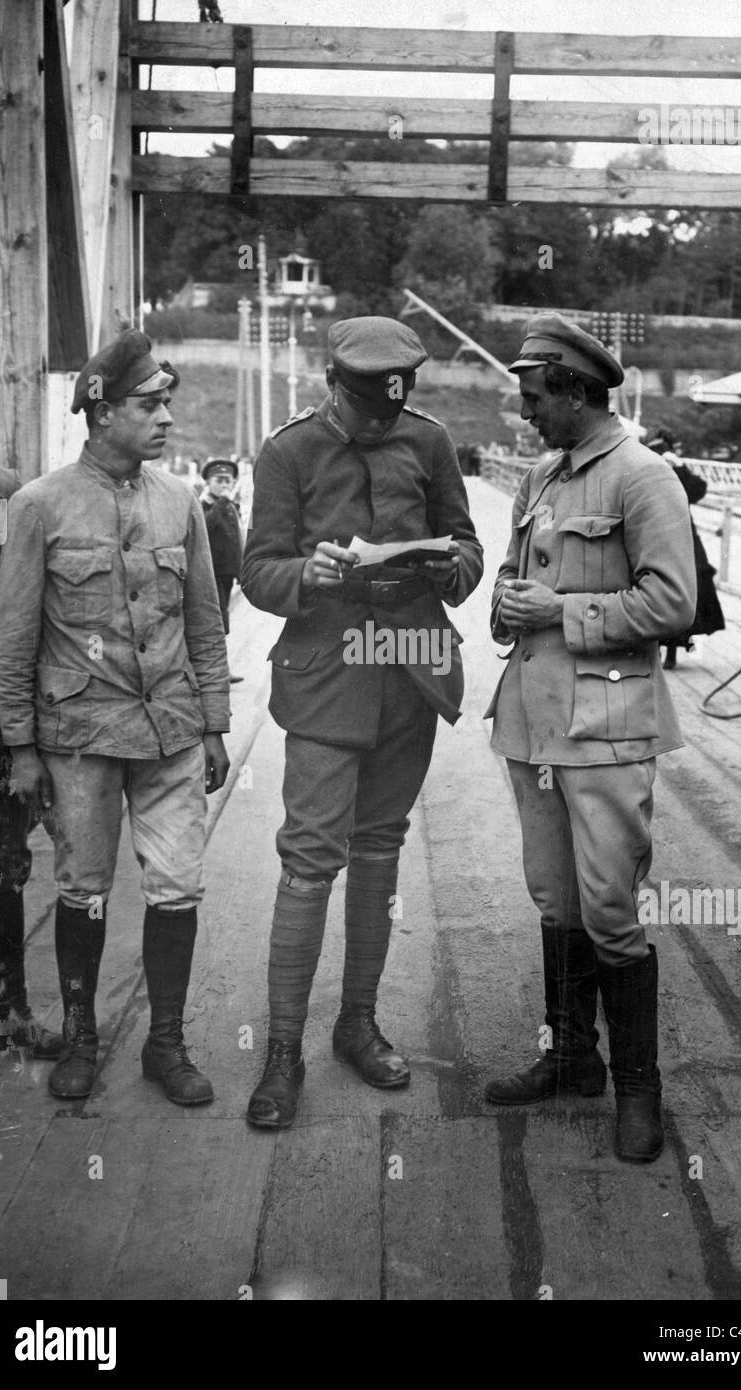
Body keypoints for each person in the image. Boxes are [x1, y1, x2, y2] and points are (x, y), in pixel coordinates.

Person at [242, 315, 483, 1130]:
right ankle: (281, 1052)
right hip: (326, 675)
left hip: (408, 668)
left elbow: (470, 548)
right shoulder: (288, 451)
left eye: (394, 407)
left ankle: (357, 1023)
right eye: (367, 409)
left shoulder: (429, 442)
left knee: (379, 847)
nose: (383, 421)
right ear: (334, 386)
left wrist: (453, 565)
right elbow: (255, 568)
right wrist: (304, 573)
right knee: (311, 858)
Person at [0, 330, 231, 1106]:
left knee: (177, 887)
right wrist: (22, 746)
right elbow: (15, 636)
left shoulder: (179, 501)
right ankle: (83, 1038)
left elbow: (204, 622)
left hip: (170, 732)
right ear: (100, 413)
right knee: (83, 888)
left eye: (167, 403)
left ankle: (166, 1044)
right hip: (81, 737)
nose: (165, 418)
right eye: (147, 404)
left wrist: (217, 725)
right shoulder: (39, 505)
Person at [483, 314, 696, 1163]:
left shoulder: (643, 479)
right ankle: (571, 1060)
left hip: (605, 730)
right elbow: (514, 575)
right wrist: (505, 598)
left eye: (535, 398)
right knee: (554, 898)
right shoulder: (541, 473)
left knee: (610, 908)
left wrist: (562, 613)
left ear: (576, 391)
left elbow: (672, 606)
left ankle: (638, 1090)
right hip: (531, 727)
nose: (525, 413)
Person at [0, 327, 61, 1108]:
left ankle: (5, 1012)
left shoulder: (3, 491)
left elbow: (23, 614)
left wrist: (27, 733)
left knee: (0, 870)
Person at [645, 427, 725, 669]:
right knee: (659, 589)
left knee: (688, 588)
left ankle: (671, 651)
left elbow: (697, 490)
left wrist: (678, 466)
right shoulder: (647, 469)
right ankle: (657, 649)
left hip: (680, 536)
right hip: (654, 536)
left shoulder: (675, 472)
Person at [200, 457, 244, 683]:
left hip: (226, 574)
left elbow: (236, 539)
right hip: (210, 574)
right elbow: (205, 527)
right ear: (208, 482)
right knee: (215, 624)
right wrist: (220, 504)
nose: (225, 485)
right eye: (219, 480)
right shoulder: (204, 505)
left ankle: (220, 670)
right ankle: (216, 672)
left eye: (228, 480)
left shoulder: (229, 506)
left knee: (222, 622)